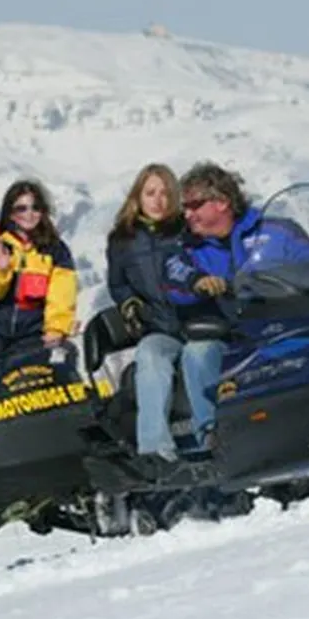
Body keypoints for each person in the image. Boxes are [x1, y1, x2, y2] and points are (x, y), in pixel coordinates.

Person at [163, 162, 309, 438]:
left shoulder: (274, 231)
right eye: (185, 208)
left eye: (194, 206)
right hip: (234, 334)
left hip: (290, 322)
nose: (187, 215)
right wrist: (198, 283)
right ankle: (212, 437)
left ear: (222, 202)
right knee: (198, 353)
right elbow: (174, 280)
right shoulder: (187, 250)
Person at [107, 162, 222, 461]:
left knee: (197, 354)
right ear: (138, 197)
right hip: (159, 326)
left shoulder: (188, 230)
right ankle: (154, 450)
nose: (158, 200)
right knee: (150, 355)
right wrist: (129, 305)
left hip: (201, 322)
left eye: (165, 193)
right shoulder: (122, 240)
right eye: (150, 193)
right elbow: (118, 285)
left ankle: (209, 433)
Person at [0, 179, 77, 358]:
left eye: (35, 207)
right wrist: (0, 270)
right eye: (21, 208)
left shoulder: (55, 250)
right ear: (10, 213)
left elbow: (62, 295)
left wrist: (56, 328)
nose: (29, 214)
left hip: (33, 333)